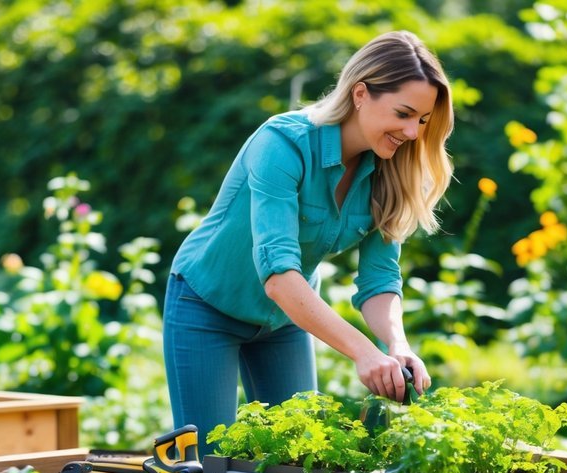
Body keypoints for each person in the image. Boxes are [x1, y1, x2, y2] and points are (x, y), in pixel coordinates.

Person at [162, 30, 454, 442]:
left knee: (300, 453)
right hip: (207, 305)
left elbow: (379, 280)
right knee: (207, 464)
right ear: (360, 94)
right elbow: (279, 276)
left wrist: (395, 344)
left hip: (285, 321)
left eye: (422, 121)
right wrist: (362, 351)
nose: (412, 133)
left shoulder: (392, 171)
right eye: (403, 114)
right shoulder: (282, 144)